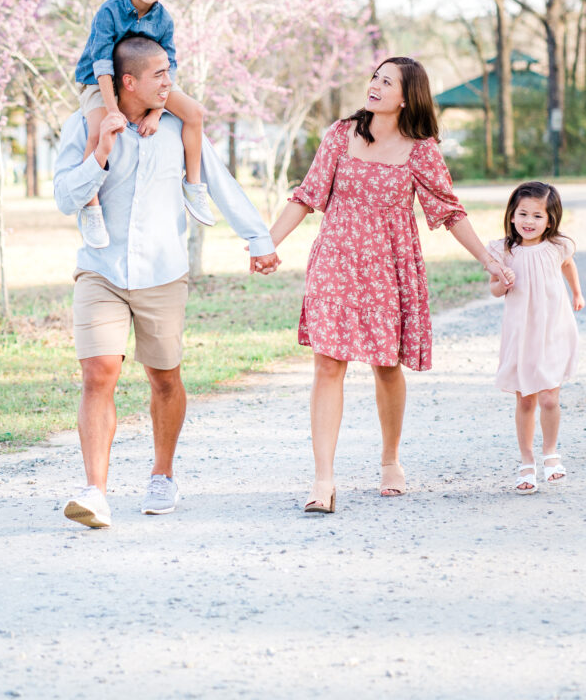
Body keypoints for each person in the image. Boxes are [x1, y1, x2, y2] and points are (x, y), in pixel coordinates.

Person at [268, 56, 513, 514]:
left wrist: (488, 259)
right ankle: (323, 480)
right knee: (328, 365)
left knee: (385, 366)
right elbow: (306, 195)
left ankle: (390, 459)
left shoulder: (421, 150)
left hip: (387, 268)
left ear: (406, 97)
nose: (375, 86)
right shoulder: (342, 134)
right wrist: (266, 244)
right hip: (336, 261)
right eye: (375, 78)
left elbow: (449, 211)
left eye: (387, 82)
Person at [54, 34, 279, 529]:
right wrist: (100, 154)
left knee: (165, 378)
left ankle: (163, 473)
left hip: (162, 274)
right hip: (101, 269)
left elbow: (217, 181)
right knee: (98, 375)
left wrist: (258, 238)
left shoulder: (178, 128)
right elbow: (65, 197)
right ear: (127, 81)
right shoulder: (85, 126)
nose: (169, 83)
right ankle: (95, 492)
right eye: (160, 75)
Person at [74, 0, 214, 249]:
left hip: (150, 82)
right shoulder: (109, 11)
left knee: (195, 113)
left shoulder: (163, 20)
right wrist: (113, 109)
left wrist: (155, 111)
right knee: (98, 132)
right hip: (100, 79)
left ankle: (192, 185)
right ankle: (91, 206)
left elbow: (171, 66)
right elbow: (101, 62)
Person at [487, 181, 584, 494]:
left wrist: (577, 293)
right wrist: (503, 283)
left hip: (552, 330)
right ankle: (526, 461)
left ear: (550, 220)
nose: (529, 221)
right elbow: (493, 288)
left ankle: (550, 454)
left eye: (537, 216)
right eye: (522, 214)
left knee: (549, 397)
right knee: (526, 400)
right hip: (522, 335)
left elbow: (568, 265)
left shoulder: (558, 247)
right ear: (512, 216)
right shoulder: (505, 251)